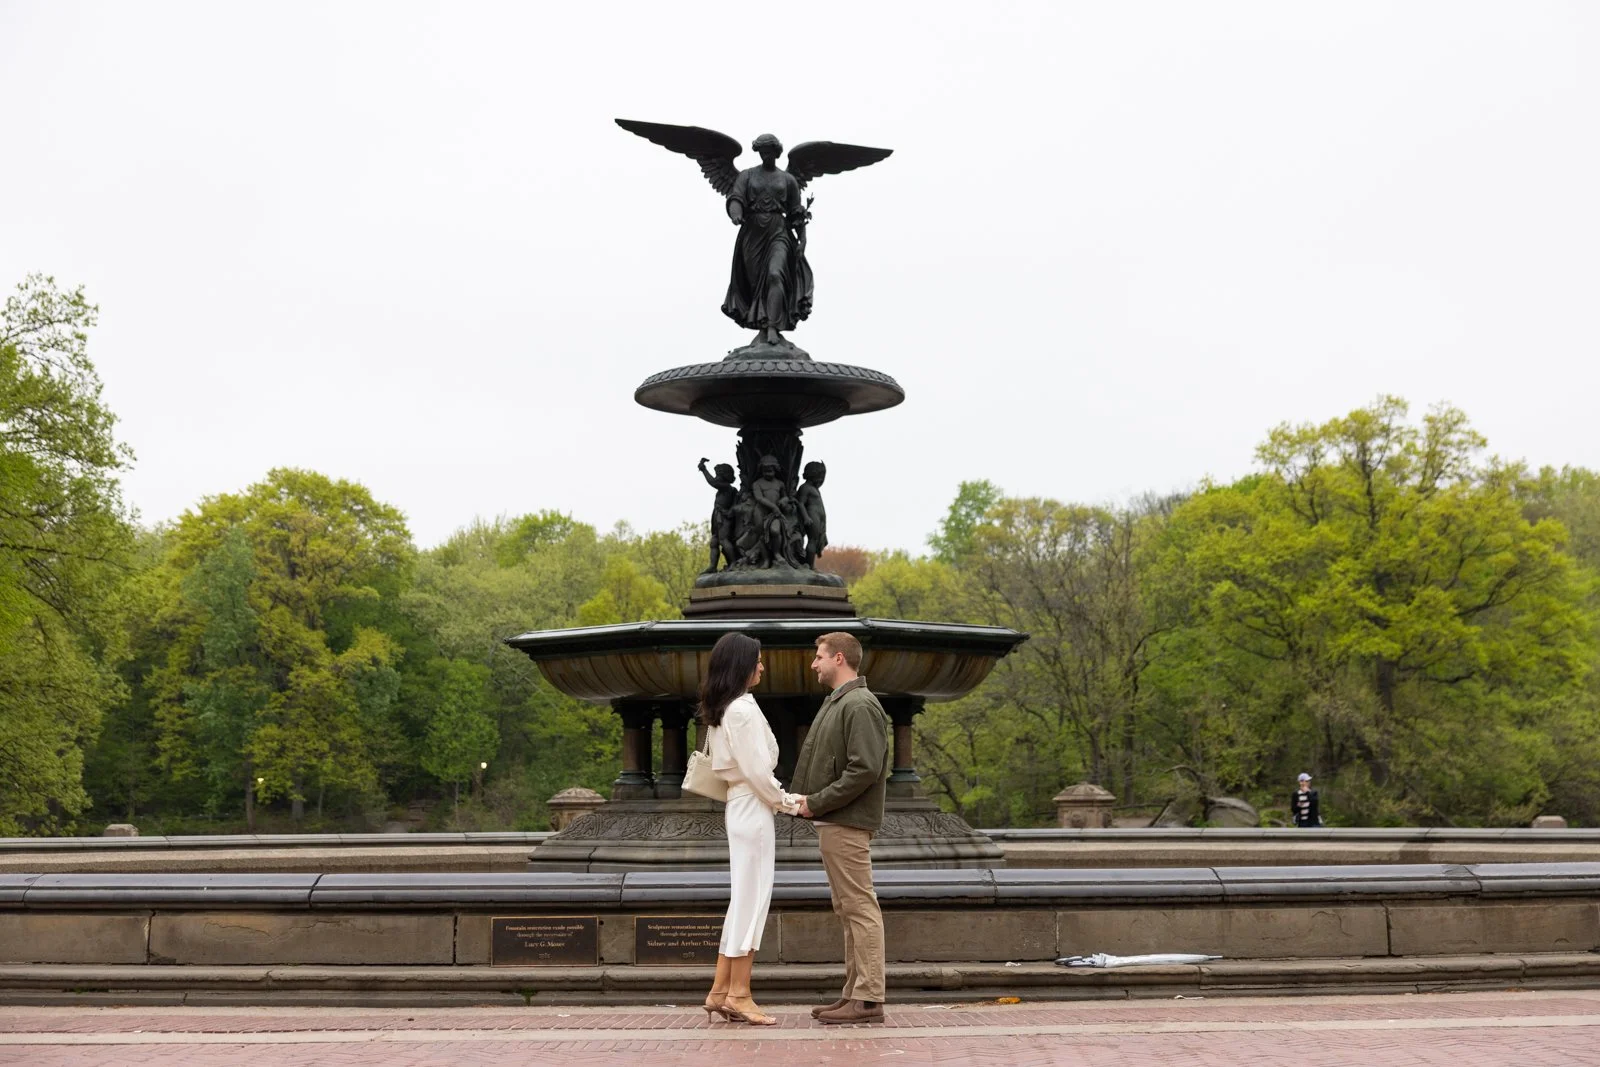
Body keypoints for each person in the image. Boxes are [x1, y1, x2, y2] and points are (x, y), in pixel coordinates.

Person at [699, 632, 801, 1026]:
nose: (762, 666)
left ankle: (721, 990)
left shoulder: (729, 707)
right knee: (752, 899)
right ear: (742, 665)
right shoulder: (741, 710)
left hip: (741, 806)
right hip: (752, 807)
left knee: (743, 898)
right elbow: (759, 771)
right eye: (757, 660)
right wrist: (788, 802)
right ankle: (739, 993)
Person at [789, 631, 891, 1025]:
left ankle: (867, 998)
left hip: (846, 822)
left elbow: (864, 768)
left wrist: (816, 801)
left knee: (859, 906)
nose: (813, 664)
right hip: (836, 820)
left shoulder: (860, 704)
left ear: (839, 659)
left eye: (819, 657)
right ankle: (854, 992)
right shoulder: (843, 702)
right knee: (848, 907)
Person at [722, 133, 814, 346]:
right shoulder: (747, 176)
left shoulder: (787, 180)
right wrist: (735, 213)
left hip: (778, 232)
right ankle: (762, 326)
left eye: (769, 152)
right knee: (756, 286)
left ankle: (772, 326)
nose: (765, 155)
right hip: (752, 234)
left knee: (774, 275)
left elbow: (795, 212)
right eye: (762, 152)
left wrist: (802, 239)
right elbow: (735, 197)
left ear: (776, 152)